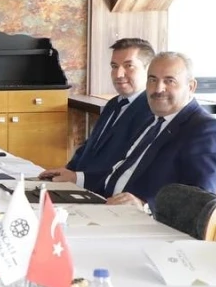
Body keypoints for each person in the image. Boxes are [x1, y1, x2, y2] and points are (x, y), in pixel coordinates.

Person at [81, 51, 216, 212]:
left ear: (191, 87)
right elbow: (120, 173)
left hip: (147, 221)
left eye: (169, 81)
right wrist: (77, 179)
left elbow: (200, 200)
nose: (158, 88)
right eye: (153, 80)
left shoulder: (208, 131)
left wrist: (145, 206)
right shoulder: (152, 120)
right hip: (107, 207)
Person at [39, 38, 155, 182]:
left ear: (150, 69)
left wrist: (78, 178)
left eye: (129, 66)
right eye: (114, 66)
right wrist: (68, 170)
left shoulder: (152, 111)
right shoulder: (114, 104)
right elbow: (91, 146)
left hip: (106, 189)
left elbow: (128, 165)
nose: (118, 74)